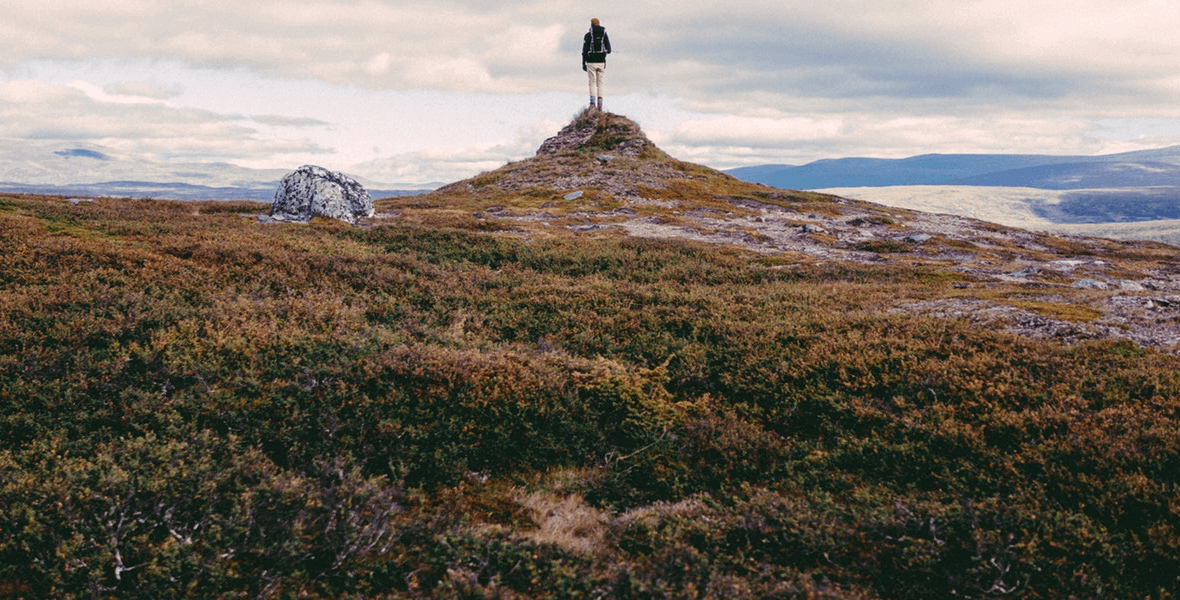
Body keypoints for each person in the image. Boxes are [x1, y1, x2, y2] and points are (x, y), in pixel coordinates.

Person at [582, 18, 611, 111]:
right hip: (601, 62)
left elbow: (584, 51)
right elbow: (609, 50)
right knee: (600, 83)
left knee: (592, 83)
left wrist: (584, 63)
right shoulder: (604, 34)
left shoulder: (588, 35)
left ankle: (592, 104)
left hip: (591, 61)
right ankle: (600, 105)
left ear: (591, 24)